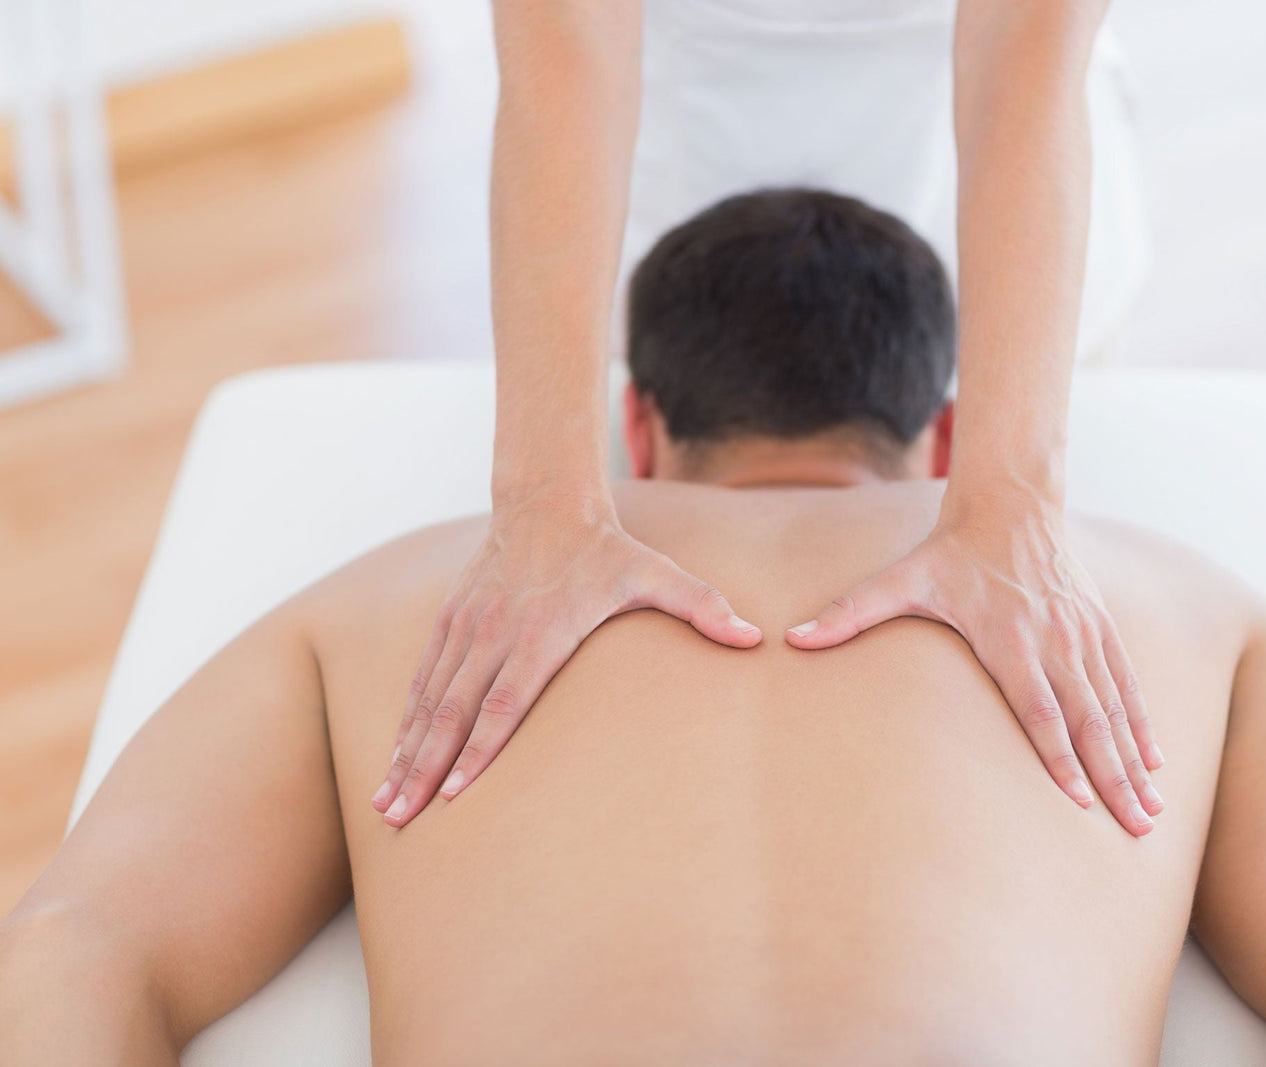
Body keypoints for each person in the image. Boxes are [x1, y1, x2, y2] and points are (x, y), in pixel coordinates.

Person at [0, 190, 1266, 1064]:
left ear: (635, 430)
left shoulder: (395, 605)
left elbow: (77, 945)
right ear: (947, 435)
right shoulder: (1184, 613)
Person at [379, 0, 1162, 831]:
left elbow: (1023, 47)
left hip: (1011, 209)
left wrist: (1015, 500)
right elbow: (567, 41)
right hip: (660, 163)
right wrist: (543, 498)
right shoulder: (1177, 602)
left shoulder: (371, 604)